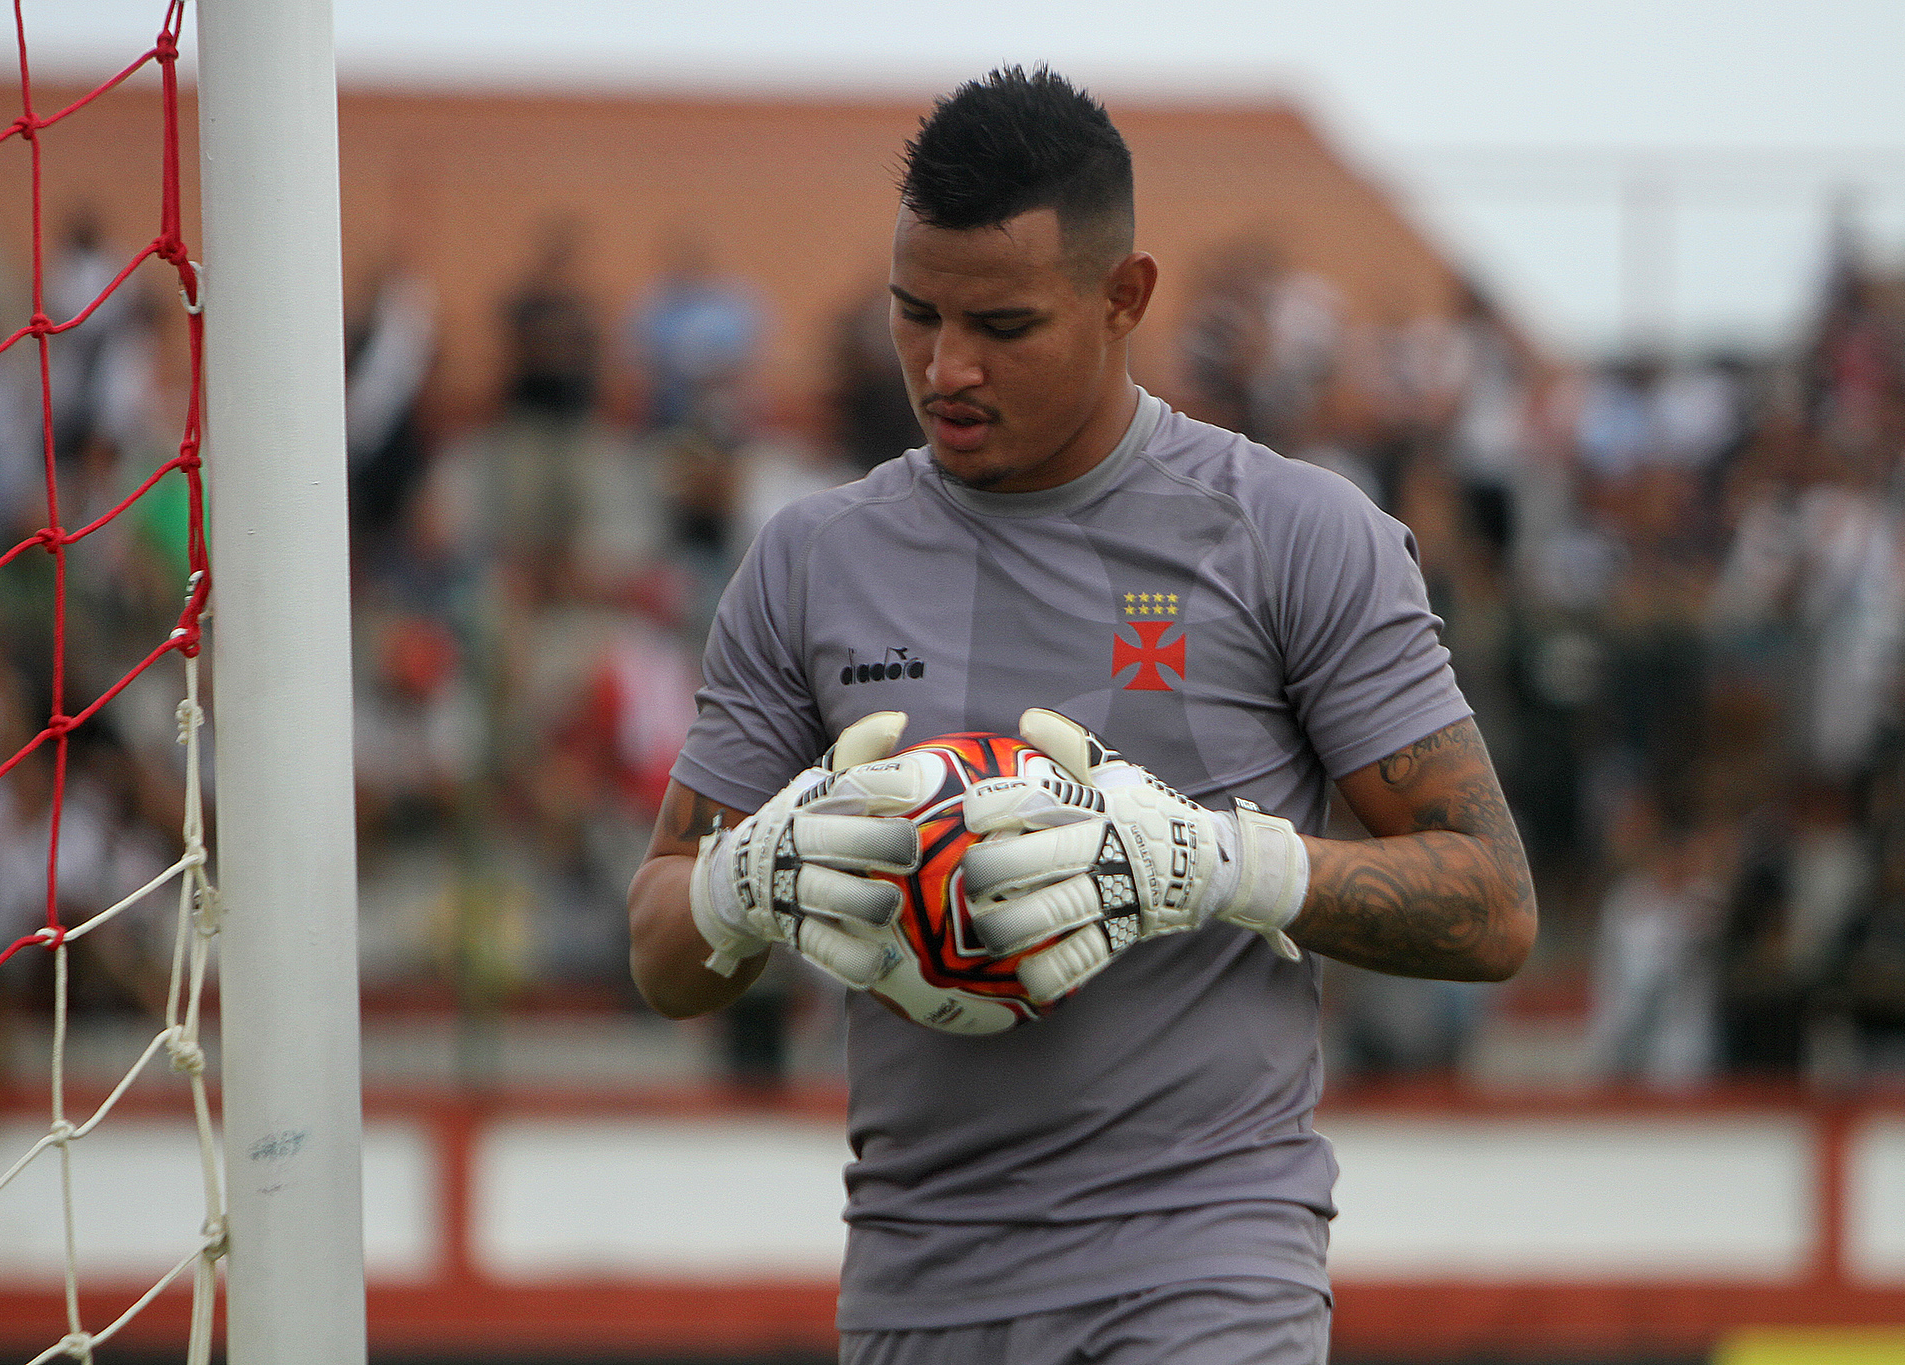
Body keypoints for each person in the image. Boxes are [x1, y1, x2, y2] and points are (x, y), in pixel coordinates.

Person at [625, 66, 1535, 1365]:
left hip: (1209, 1270)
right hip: (919, 1286)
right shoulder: (810, 562)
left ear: (1126, 297)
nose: (945, 367)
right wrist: (739, 883)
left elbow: (1494, 904)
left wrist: (1221, 864)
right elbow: (662, 946)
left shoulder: (1295, 535)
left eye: (1003, 324)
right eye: (914, 314)